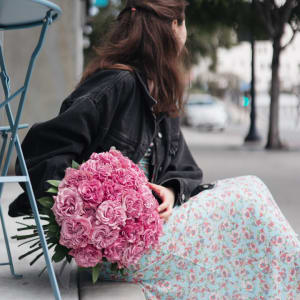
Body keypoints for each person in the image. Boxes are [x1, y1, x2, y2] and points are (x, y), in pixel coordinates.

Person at [9, 0, 300, 298]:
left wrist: (171, 191)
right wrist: (91, 208)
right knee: (248, 198)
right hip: (119, 250)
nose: (186, 32)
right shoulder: (116, 83)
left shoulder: (158, 94)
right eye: (183, 23)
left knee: (254, 202)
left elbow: (188, 170)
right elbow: (39, 151)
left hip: (154, 233)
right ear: (172, 27)